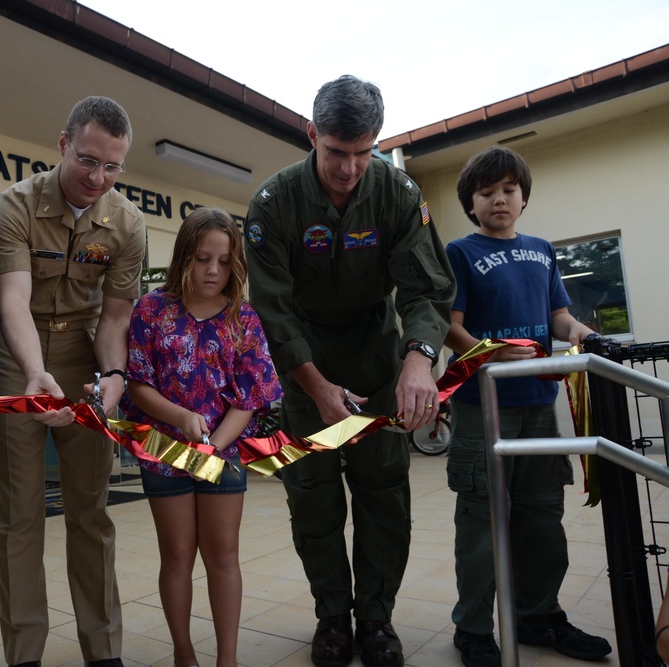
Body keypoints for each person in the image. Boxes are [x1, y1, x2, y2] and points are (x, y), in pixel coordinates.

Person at [244, 75, 455, 667]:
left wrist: (419, 360)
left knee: (383, 489)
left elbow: (427, 289)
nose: (349, 168)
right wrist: (314, 386)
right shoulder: (273, 202)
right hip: (302, 354)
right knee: (312, 493)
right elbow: (271, 310)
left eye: (363, 152)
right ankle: (332, 618)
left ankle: (378, 621)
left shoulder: (396, 192)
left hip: (377, 350)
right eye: (337, 152)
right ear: (312, 135)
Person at [0, 95, 145, 667]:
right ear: (62, 144)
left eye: (112, 166)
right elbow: (14, 302)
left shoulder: (127, 223)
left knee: (91, 511)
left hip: (86, 359)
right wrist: (33, 374)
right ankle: (25, 653)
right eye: (87, 160)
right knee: (17, 515)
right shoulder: (15, 206)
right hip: (17, 360)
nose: (98, 177)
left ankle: (103, 651)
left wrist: (113, 377)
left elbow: (116, 318)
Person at [444, 145, 611, 666]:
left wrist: (583, 333)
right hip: (483, 405)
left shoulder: (543, 250)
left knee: (542, 515)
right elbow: (450, 326)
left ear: (523, 197)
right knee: (482, 519)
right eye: (487, 192)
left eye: (508, 190)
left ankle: (540, 616)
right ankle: (473, 629)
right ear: (471, 203)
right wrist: (488, 354)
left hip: (540, 401)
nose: (499, 199)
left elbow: (558, 316)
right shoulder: (460, 252)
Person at [122, 207, 282, 667]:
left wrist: (215, 446)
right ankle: (184, 654)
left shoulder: (243, 317)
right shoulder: (151, 309)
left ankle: (226, 660)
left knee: (223, 556)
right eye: (202, 258)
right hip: (164, 453)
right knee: (176, 556)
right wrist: (181, 417)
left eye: (225, 261)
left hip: (223, 456)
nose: (213, 270)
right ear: (183, 256)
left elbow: (252, 395)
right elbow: (138, 383)